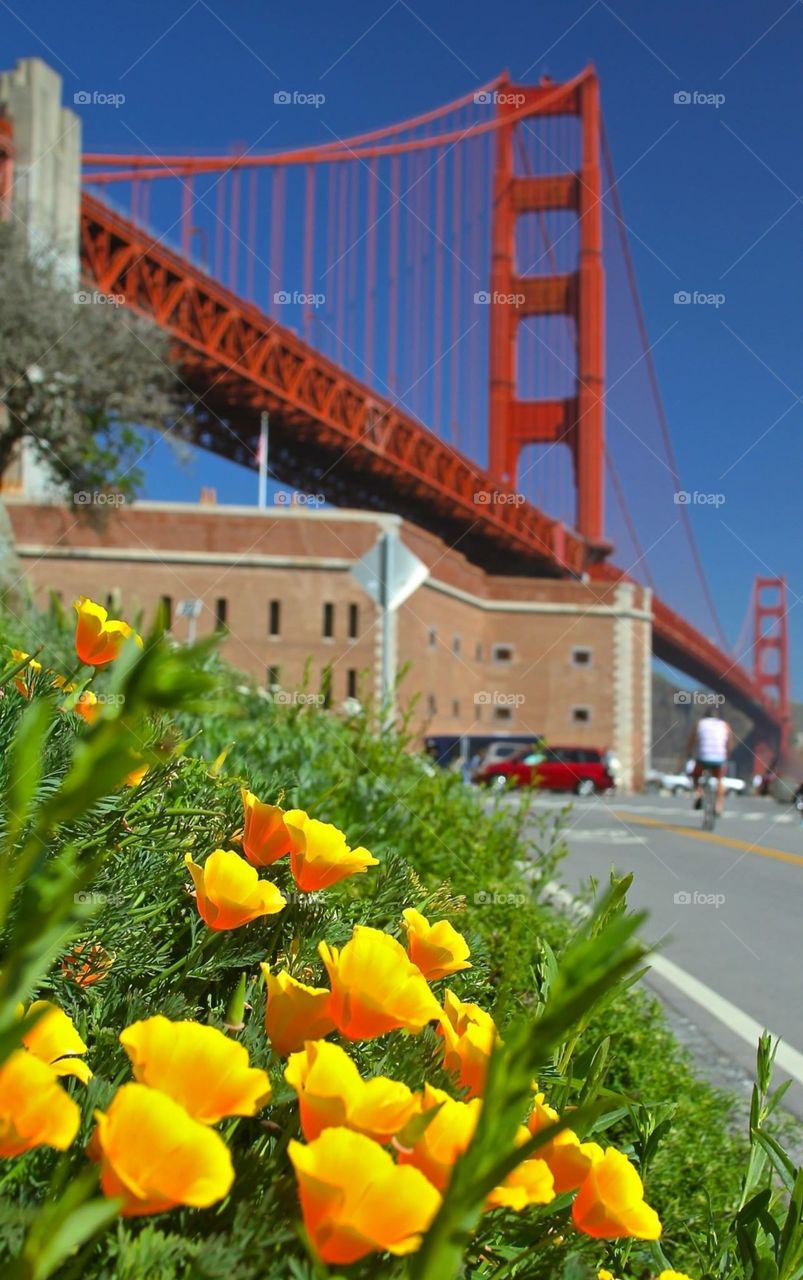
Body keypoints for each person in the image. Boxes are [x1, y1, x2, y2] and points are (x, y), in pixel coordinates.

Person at [687, 707, 732, 817]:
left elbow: (692, 740)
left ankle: (699, 793)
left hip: (703, 757)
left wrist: (689, 752)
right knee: (720, 780)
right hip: (719, 758)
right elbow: (729, 743)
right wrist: (727, 754)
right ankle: (718, 806)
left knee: (695, 775)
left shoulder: (700, 724)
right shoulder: (724, 725)